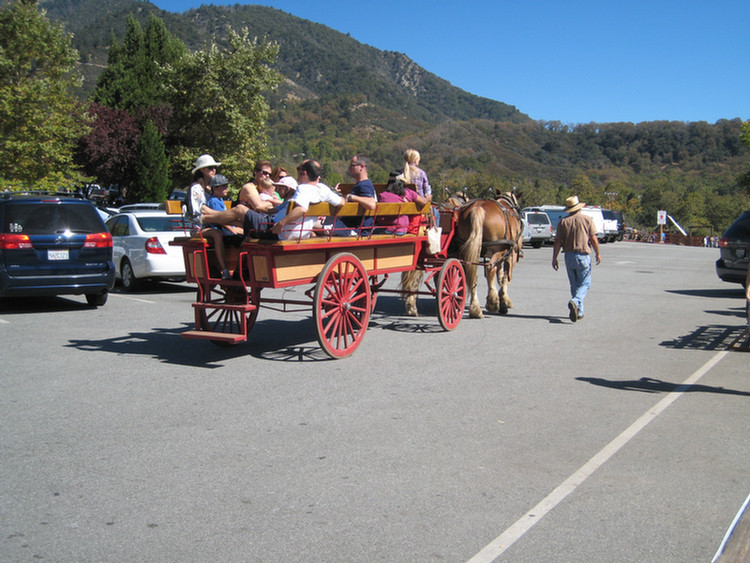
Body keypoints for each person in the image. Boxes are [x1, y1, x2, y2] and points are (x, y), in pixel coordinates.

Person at [242, 159, 344, 241]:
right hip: (302, 233)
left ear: (304, 173)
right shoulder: (323, 189)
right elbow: (342, 202)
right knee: (242, 218)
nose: (298, 175)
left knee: (240, 210)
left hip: (281, 232)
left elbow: (301, 209)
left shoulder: (303, 188)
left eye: (299, 170)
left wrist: (281, 224)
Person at [551, 195, 602, 322]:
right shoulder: (587, 219)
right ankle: (576, 300)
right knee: (585, 283)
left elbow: (557, 241)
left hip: (568, 255)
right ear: (579, 207)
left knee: (574, 284)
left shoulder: (563, 222)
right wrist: (598, 253)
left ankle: (579, 311)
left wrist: (554, 258)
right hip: (583, 255)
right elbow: (594, 238)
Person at [203, 174, 242, 279]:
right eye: (223, 186)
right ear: (215, 188)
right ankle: (238, 269)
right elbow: (221, 220)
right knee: (241, 241)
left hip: (224, 230)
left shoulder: (219, 200)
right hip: (220, 230)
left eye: (226, 186)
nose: (226, 189)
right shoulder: (214, 201)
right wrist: (233, 230)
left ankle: (239, 268)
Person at [330, 155, 377, 236]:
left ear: (361, 167)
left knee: (313, 226)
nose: (349, 168)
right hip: (350, 225)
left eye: (352, 165)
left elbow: (372, 204)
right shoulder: (362, 184)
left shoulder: (365, 185)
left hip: (353, 228)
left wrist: (353, 197)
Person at [186, 154, 221, 230]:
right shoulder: (196, 188)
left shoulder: (212, 188)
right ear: (201, 170)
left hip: (214, 222)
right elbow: (201, 209)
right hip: (199, 226)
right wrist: (221, 215)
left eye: (215, 167)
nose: (214, 170)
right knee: (218, 234)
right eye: (210, 168)